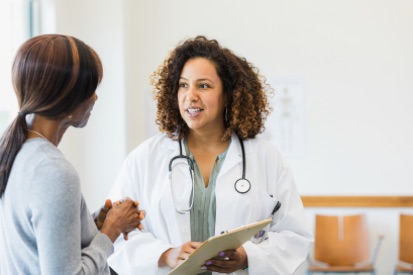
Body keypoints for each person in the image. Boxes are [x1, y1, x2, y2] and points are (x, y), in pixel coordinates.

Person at [107, 36, 313, 275]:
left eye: (203, 85)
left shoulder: (265, 157)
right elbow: (116, 234)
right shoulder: (144, 158)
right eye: (183, 85)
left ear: (228, 95)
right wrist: (165, 254)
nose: (190, 95)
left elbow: (294, 236)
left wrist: (248, 256)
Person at [0, 34, 145, 274]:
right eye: (91, 89)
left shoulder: (16, 152)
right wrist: (111, 230)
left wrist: (93, 222)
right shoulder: (53, 171)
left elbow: (42, 240)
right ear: (67, 99)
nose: (95, 98)